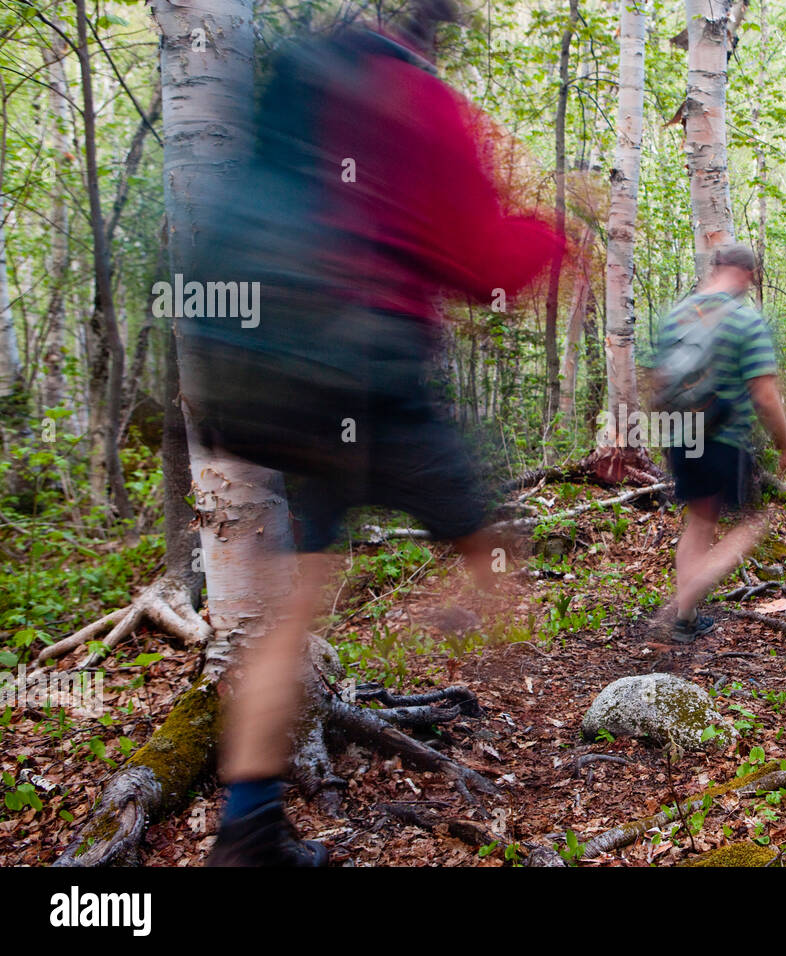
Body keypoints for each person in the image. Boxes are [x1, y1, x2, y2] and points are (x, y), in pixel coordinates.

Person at [192, 5, 563, 866]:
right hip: (372, 375)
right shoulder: (420, 101)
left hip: (282, 382)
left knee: (290, 609)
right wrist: (555, 233)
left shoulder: (304, 79)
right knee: (492, 541)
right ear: (438, 31)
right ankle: (490, 668)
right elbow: (481, 264)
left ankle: (246, 828)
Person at [653, 244, 786, 644]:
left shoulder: (676, 316)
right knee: (752, 525)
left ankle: (685, 619)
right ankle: (680, 601)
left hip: (681, 435)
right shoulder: (744, 320)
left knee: (699, 522)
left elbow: (658, 381)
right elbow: (765, 395)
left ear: (715, 267)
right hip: (723, 440)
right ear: (748, 275)